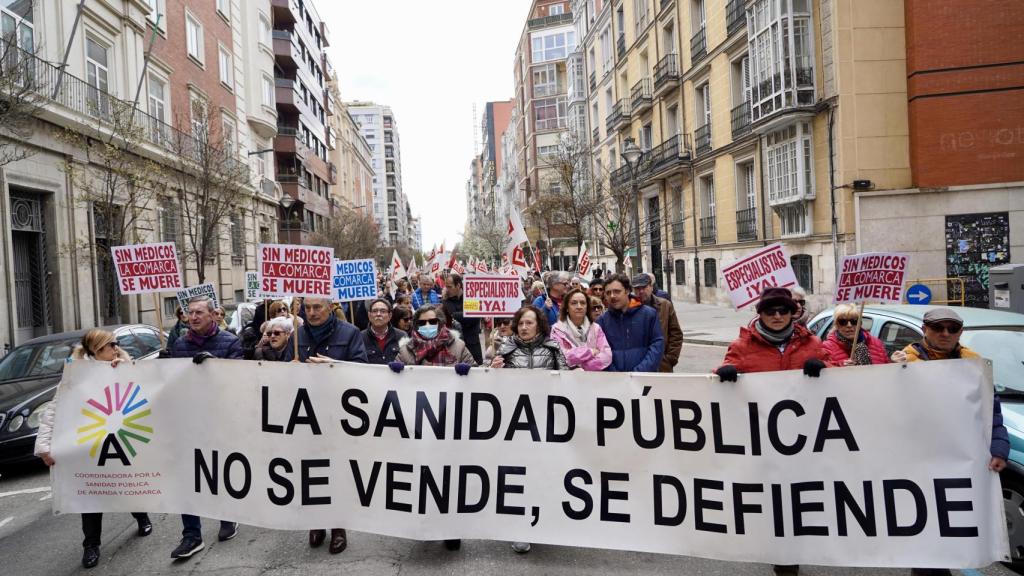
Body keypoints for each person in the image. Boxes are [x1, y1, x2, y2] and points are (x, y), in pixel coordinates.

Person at [713, 287, 827, 576]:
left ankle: (790, 557)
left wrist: (825, 367)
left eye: (783, 310)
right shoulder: (743, 345)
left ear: (792, 313)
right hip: (763, 440)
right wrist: (725, 373)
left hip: (804, 439)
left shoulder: (812, 344)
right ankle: (783, 558)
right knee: (774, 501)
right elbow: (723, 371)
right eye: (770, 311)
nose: (777, 316)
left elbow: (838, 378)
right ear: (760, 314)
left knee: (798, 499)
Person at [893, 308, 1008, 576]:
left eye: (952, 329)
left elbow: (991, 411)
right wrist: (892, 372)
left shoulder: (974, 363)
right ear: (925, 329)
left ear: (960, 332)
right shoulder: (904, 361)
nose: (945, 333)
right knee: (924, 522)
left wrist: (999, 447)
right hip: (918, 459)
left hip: (958, 459)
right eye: (938, 327)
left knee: (952, 521)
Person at [34, 329, 152, 569]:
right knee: (90, 495)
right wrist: (44, 446)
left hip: (120, 440)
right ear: (97, 350)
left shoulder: (125, 366)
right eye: (111, 345)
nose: (116, 348)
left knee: (126, 483)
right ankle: (91, 545)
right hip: (90, 443)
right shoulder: (75, 375)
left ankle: (142, 517)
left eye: (116, 344)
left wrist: (125, 371)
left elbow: (145, 395)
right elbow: (54, 410)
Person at [279, 295, 367, 554]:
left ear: (330, 308)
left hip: (338, 414)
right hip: (306, 415)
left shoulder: (350, 333)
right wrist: (289, 369)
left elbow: (362, 369)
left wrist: (334, 366)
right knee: (310, 471)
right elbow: (282, 374)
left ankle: (338, 527)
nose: (312, 312)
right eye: (307, 308)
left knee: (337, 471)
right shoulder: (297, 336)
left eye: (317, 307)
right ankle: (316, 521)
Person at [391, 304, 474, 551]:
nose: (427, 326)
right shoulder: (405, 350)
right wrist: (394, 373)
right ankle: (423, 525)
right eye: (422, 323)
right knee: (422, 477)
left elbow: (479, 376)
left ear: (441, 323)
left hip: (450, 423)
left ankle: (451, 529)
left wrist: (468, 372)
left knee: (449, 478)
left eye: (432, 322)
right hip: (418, 425)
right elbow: (392, 385)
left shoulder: (458, 347)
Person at [166, 296, 243, 560]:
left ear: (213, 314)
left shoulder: (230, 342)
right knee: (187, 477)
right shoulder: (179, 345)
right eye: (190, 313)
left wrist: (215, 366)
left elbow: (240, 381)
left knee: (219, 472)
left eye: (199, 312)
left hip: (220, 421)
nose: (194, 317)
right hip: (189, 421)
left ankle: (228, 517)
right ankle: (191, 536)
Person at [489, 304, 567, 553]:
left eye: (529, 322)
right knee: (516, 474)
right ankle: (519, 527)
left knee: (541, 472)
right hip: (515, 424)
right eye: (521, 323)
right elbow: (487, 386)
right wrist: (492, 371)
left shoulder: (553, 348)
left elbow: (567, 382)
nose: (524, 327)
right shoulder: (506, 349)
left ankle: (542, 520)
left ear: (539, 325)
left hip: (545, 421)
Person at [596, 274, 664, 373]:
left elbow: (657, 345)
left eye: (617, 291)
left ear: (627, 291)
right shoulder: (601, 321)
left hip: (644, 378)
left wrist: (638, 372)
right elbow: (600, 352)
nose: (612, 296)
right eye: (608, 293)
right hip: (614, 379)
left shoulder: (649, 315)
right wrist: (614, 374)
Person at [550, 288, 612, 371]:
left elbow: (607, 356)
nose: (579, 307)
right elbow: (560, 357)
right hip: (567, 377)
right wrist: (590, 352)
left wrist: (583, 367)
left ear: (587, 307)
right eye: (574, 303)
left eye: (582, 303)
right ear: (567, 307)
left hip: (593, 377)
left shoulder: (596, 328)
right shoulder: (557, 329)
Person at [633, 274, 684, 373]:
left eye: (644, 287)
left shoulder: (665, 305)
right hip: (638, 366)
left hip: (662, 366)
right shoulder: (629, 308)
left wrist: (670, 358)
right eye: (637, 288)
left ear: (651, 287)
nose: (641, 291)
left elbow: (676, 334)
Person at [821, 304, 888, 366]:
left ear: (860, 324)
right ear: (836, 325)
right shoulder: (827, 347)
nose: (849, 325)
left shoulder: (877, 343)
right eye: (843, 322)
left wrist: (893, 362)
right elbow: (823, 369)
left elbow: (886, 369)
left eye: (854, 321)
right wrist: (841, 365)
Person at [443, 273, 483, 364]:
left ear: (458, 285)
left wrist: (454, 315)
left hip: (472, 343)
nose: (447, 289)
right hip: (455, 344)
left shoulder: (470, 297)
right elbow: (448, 318)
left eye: (449, 287)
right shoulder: (446, 301)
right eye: (446, 287)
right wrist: (464, 315)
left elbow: (474, 317)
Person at [362, 299, 407, 365]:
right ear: (369, 315)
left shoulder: (402, 336)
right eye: (375, 311)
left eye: (383, 311)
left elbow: (409, 361)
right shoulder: (360, 337)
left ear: (390, 315)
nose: (378, 314)